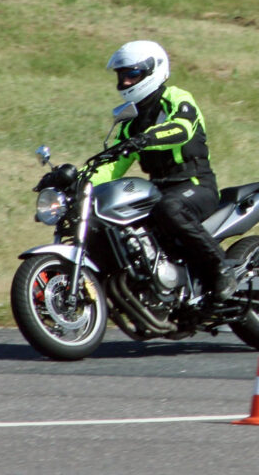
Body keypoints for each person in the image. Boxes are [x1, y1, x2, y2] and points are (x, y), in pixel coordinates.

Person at [91, 40, 237, 302]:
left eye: (131, 74)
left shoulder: (176, 98)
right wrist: (77, 181)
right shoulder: (130, 123)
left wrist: (147, 138)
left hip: (195, 184)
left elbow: (182, 128)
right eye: (121, 75)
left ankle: (221, 267)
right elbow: (112, 165)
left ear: (152, 71)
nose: (124, 82)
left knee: (169, 209)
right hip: (159, 192)